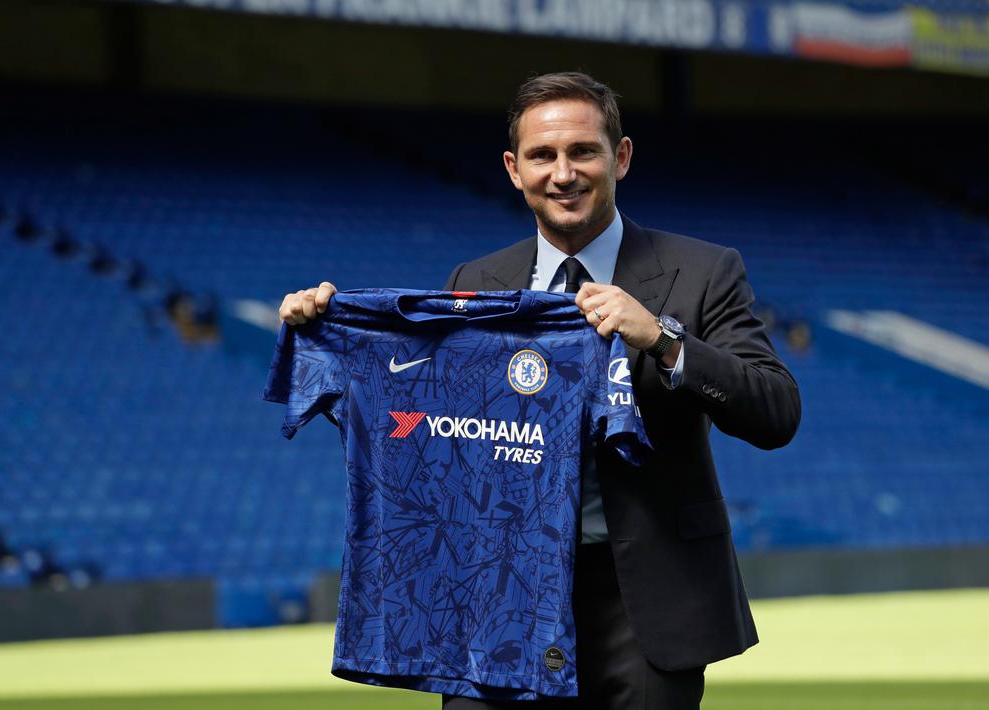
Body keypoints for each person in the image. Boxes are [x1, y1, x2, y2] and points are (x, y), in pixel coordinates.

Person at [279, 71, 801, 709]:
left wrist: (662, 338)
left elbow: (776, 412)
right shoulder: (476, 279)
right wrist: (333, 329)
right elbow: (422, 409)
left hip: (644, 602)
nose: (564, 173)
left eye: (583, 151)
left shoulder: (703, 271)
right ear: (512, 168)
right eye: (542, 155)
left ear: (621, 156)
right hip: (498, 597)